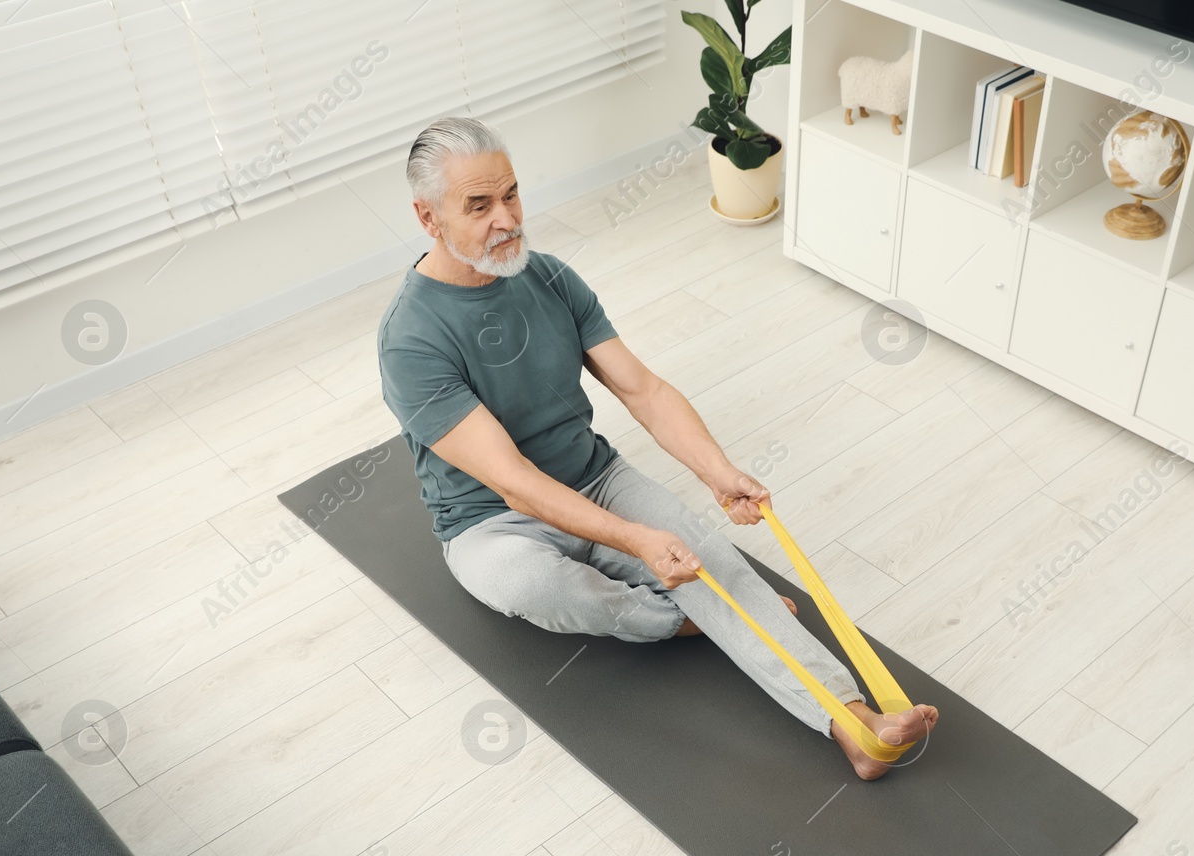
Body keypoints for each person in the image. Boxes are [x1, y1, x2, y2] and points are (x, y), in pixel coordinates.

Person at [377, 116, 936, 780]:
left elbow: (643, 390)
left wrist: (718, 472)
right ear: (427, 216)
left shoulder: (550, 279)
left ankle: (851, 722)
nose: (507, 218)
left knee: (712, 559)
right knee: (538, 584)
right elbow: (514, 483)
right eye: (479, 205)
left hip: (594, 477)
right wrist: (638, 542)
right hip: (490, 521)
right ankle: (679, 622)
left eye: (512, 194)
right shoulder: (410, 338)